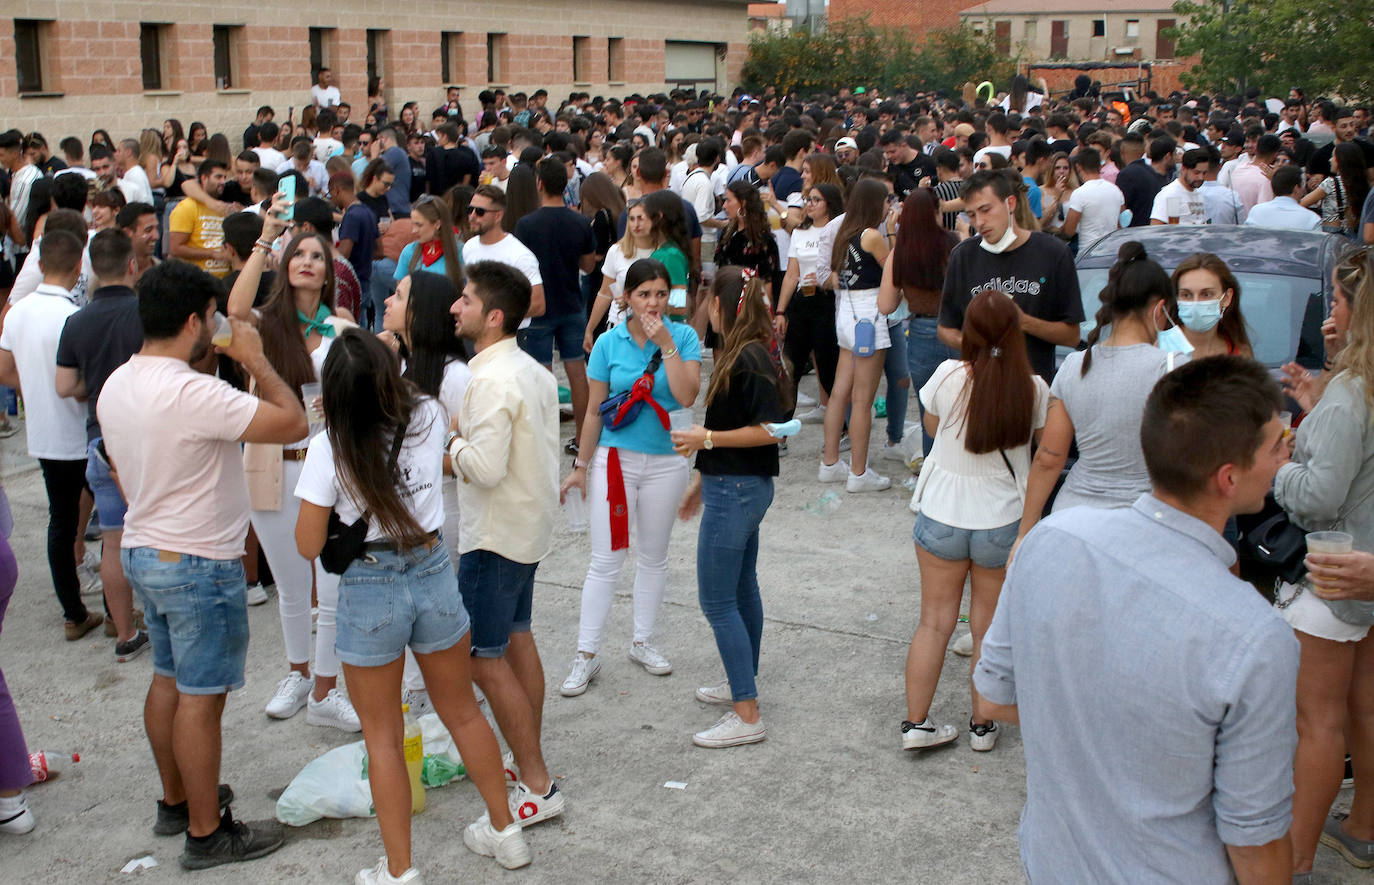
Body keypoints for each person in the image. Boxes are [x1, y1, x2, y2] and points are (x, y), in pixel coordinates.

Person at [978, 353, 1298, 881]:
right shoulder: (1255, 637)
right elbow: (1256, 844)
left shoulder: (1051, 539)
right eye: (1277, 445)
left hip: (1053, 863)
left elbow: (994, 696)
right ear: (1228, 477)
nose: (1286, 455)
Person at [294, 330, 530, 881]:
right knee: (463, 710)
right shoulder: (426, 411)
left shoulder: (332, 444)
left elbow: (307, 545)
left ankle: (399, 871)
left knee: (382, 735)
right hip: (431, 571)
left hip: (370, 583)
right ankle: (505, 829)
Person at [100, 260, 303, 870]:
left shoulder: (118, 382)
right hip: (197, 561)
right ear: (195, 321)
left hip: (144, 549)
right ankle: (206, 832)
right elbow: (292, 421)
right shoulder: (193, 392)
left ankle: (176, 800)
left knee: (167, 679)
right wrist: (255, 359)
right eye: (213, 318)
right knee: (201, 697)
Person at [228, 197, 360, 732]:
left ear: (329, 272)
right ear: (286, 266)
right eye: (299, 255)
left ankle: (327, 690)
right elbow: (233, 312)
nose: (308, 262)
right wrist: (266, 237)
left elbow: (367, 386)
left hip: (327, 468)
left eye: (318, 257)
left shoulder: (344, 327)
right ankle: (298, 672)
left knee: (330, 585)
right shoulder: (265, 322)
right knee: (287, 584)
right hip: (270, 465)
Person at [447, 260, 566, 827]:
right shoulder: (532, 369)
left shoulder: (491, 378)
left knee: (482, 658)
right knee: (516, 641)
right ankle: (529, 763)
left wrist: (450, 443)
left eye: (465, 300)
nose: (455, 307)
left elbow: (486, 468)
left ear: (493, 317)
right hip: (528, 527)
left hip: (495, 535)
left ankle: (537, 781)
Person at [903, 287, 1047, 752]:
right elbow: (1039, 446)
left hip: (942, 514)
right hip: (1001, 522)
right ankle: (982, 726)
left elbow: (931, 428)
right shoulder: (1034, 388)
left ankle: (916, 725)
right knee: (985, 628)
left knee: (933, 623)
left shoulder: (947, 375)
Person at [1272, 246, 1374, 879]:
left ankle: (1295, 856)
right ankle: (1361, 825)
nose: (1327, 311)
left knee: (1316, 724)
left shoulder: (1351, 396)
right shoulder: (1352, 388)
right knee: (1361, 708)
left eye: (1336, 299)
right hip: (1360, 576)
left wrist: (1281, 467)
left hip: (1332, 575)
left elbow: (1316, 496)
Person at [558, 259, 701, 697]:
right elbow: (593, 412)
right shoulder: (607, 342)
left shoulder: (685, 336)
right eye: (644, 294)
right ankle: (585, 654)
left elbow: (687, 394)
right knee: (606, 559)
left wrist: (668, 346)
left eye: (661, 293)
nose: (654, 303)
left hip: (667, 461)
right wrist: (580, 468)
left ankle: (643, 641)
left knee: (654, 555)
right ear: (626, 298)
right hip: (615, 460)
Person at [672, 267, 789, 748]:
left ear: (720, 305)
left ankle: (746, 712)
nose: (706, 310)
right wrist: (703, 474)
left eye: (708, 303)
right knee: (741, 590)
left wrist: (708, 438)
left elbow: (771, 430)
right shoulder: (747, 350)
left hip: (739, 490)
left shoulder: (750, 355)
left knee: (717, 600)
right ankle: (743, 681)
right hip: (736, 484)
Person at [1018, 242, 1185, 541]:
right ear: (1161, 308)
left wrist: (1024, 533)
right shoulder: (1173, 368)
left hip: (1072, 519)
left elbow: (1049, 457)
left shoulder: (1072, 366)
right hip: (1143, 525)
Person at [0, 231, 108, 642]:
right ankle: (91, 609)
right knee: (96, 518)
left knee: (61, 521)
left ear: (40, 265)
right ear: (79, 267)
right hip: (80, 428)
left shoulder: (18, 312)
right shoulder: (73, 315)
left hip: (43, 430)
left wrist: (34, 387)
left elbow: (5, 371)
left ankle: (73, 608)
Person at [937, 170, 1083, 385]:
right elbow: (945, 328)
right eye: (972, 214)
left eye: (986, 210)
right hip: (981, 387)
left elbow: (1072, 336)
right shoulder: (963, 255)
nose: (980, 222)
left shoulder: (1053, 253)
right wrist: (974, 343)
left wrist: (1023, 322)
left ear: (1011, 204)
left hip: (1035, 387)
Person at [820, 179, 897, 493]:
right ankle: (859, 472)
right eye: (885, 201)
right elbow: (893, 267)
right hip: (869, 315)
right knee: (863, 399)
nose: (888, 206)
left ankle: (830, 462)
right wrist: (891, 231)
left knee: (840, 392)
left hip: (846, 313)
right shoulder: (872, 235)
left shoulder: (845, 233)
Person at [515, 158, 596, 440]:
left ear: (539, 183)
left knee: (541, 377)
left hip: (538, 308)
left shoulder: (525, 225)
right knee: (577, 373)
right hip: (572, 304)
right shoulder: (580, 222)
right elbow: (588, 266)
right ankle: (583, 436)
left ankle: (543, 436)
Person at [882, 187, 958, 460]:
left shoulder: (901, 252)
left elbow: (885, 305)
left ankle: (930, 475)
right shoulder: (953, 242)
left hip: (922, 330)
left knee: (929, 409)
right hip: (957, 327)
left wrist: (906, 289)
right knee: (963, 407)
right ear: (936, 212)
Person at [775, 183, 842, 425]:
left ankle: (843, 428)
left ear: (830, 204)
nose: (810, 204)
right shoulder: (800, 232)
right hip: (801, 302)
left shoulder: (838, 231)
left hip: (828, 303)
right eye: (808, 199)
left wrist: (827, 279)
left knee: (828, 370)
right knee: (790, 368)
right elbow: (792, 274)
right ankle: (781, 431)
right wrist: (780, 311)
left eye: (816, 200)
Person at [461, 186, 545, 328]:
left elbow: (538, 305)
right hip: (477, 332)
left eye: (480, 212)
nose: (472, 216)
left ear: (498, 215)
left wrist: (497, 317)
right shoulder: (469, 246)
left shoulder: (520, 255)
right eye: (470, 210)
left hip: (511, 335)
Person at [584, 198, 658, 348]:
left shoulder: (664, 253)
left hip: (654, 328)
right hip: (619, 324)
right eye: (631, 219)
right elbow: (605, 293)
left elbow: (678, 298)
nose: (635, 224)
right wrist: (590, 328)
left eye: (640, 218)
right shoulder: (616, 251)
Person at [1170, 252, 1254, 358]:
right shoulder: (1159, 350)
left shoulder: (1240, 355)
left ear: (1227, 298)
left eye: (1206, 294)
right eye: (1186, 295)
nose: (1196, 303)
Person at [168, 160, 232, 279]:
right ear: (204, 178)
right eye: (218, 177)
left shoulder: (225, 205)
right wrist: (213, 254)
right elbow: (175, 249)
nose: (223, 182)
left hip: (224, 281)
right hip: (196, 281)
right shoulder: (187, 207)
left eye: (224, 177)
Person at [393, 195, 464, 298]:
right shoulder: (409, 251)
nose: (414, 230)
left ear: (437, 224)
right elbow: (400, 296)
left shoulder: (461, 251)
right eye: (413, 224)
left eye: (419, 225)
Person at [1058, 146, 1121, 249]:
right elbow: (1120, 220)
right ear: (1100, 166)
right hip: (1112, 251)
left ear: (1078, 167)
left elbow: (1069, 231)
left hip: (1088, 252)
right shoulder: (1116, 190)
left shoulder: (1079, 193)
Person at [330, 172, 378, 304]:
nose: (332, 199)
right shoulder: (369, 212)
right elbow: (380, 251)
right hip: (366, 279)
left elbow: (343, 255)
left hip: (352, 282)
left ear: (337, 191)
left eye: (331, 194)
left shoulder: (351, 216)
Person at [1116, 135, 1172, 227]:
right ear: (1144, 151)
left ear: (1122, 152)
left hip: (1134, 231)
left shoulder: (1126, 175)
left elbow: (1121, 208)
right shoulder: (1152, 172)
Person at [1246, 166, 1321, 231]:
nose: (1304, 190)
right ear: (1296, 188)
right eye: (1303, 185)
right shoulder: (1312, 219)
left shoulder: (1256, 211)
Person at [1150, 148, 1209, 225]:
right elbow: (1156, 227)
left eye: (1204, 173)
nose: (1201, 177)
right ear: (1183, 169)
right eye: (1196, 172)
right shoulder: (1170, 194)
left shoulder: (1199, 194)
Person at [114, 139, 154, 207]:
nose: (116, 154)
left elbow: (143, 201)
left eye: (119, 151)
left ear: (128, 152)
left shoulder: (136, 174)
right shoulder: (132, 173)